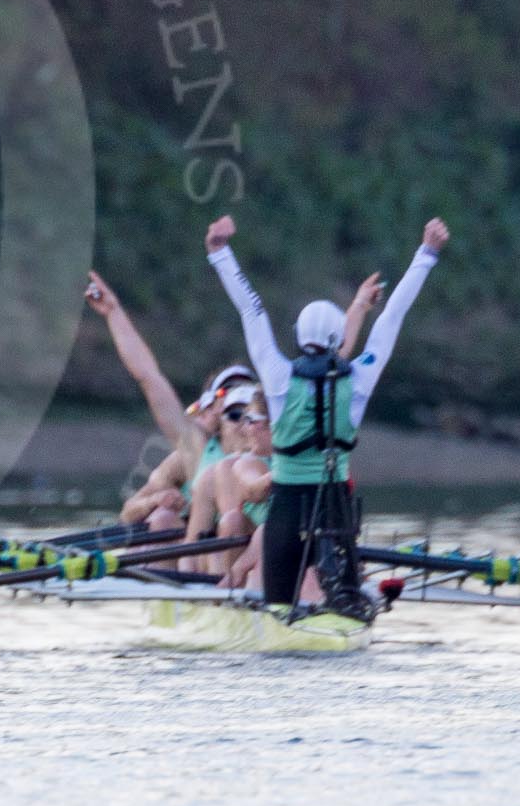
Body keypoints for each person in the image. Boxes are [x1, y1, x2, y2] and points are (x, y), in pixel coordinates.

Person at [205, 214, 449, 617]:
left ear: (301, 336)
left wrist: (220, 252)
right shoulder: (361, 379)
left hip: (285, 507)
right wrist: (426, 253)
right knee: (342, 593)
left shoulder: (278, 376)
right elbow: (392, 317)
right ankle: (345, 604)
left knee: (278, 607)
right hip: (335, 507)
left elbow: (251, 310)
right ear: (339, 340)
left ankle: (282, 616)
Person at [83, 271, 252, 534]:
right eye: (227, 393)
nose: (238, 401)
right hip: (202, 559)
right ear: (214, 408)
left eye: (246, 392)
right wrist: (113, 313)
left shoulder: (272, 447)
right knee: (163, 518)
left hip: (241, 552)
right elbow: (150, 378)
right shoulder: (197, 448)